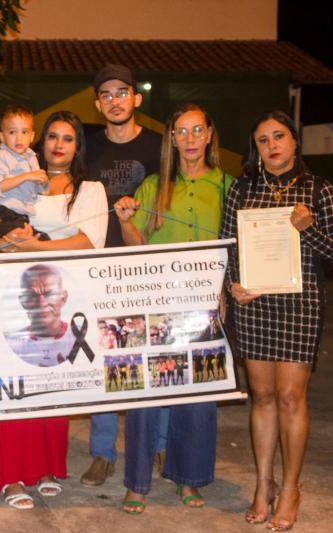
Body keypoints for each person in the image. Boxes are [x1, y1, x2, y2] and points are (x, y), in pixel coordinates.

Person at [220, 110, 333, 531]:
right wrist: (232, 283)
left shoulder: (319, 189)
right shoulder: (242, 188)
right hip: (254, 304)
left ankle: (291, 487)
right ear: (255, 149)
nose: (272, 145)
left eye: (279, 136)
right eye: (262, 140)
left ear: (295, 142)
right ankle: (264, 484)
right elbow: (227, 247)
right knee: (261, 395)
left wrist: (307, 228)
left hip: (300, 304)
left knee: (291, 397)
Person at [0, 110, 107, 509]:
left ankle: (48, 468)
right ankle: (13, 476)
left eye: (68, 138)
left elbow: (89, 241)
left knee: (52, 388)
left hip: (61, 300)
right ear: (40, 140)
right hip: (14, 297)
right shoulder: (18, 176)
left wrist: (37, 248)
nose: (58, 145)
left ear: (77, 145)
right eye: (52, 136)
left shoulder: (90, 189)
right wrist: (6, 241)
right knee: (14, 387)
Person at [113, 103, 234, 514]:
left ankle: (189, 479)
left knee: (197, 398)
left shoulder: (227, 185)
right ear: (172, 140)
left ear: (210, 134)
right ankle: (137, 484)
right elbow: (136, 247)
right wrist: (127, 221)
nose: (190, 139)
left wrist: (225, 288)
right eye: (181, 132)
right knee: (145, 395)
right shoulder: (153, 186)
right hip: (155, 307)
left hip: (203, 307)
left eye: (197, 130)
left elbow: (235, 246)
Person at [83, 63, 162, 488]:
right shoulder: (88, 149)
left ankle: (158, 444)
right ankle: (102, 451)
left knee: (153, 359)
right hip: (99, 270)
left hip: (147, 267)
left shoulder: (159, 147)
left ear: (136, 98)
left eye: (122, 92)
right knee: (107, 362)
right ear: (98, 103)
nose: (114, 100)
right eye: (106, 94)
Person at [0, 104, 48, 237]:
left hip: (22, 215)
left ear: (32, 136)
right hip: (4, 213)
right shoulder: (2, 155)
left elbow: (41, 191)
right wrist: (26, 176)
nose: (19, 138)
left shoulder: (32, 157)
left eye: (24, 132)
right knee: (20, 238)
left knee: (43, 239)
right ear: (2, 136)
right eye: (12, 132)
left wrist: (43, 181)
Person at [4, 265, 76, 368]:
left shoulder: (80, 341)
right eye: (32, 296)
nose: (42, 303)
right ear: (23, 302)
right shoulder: (11, 345)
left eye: (49, 294)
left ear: (63, 298)